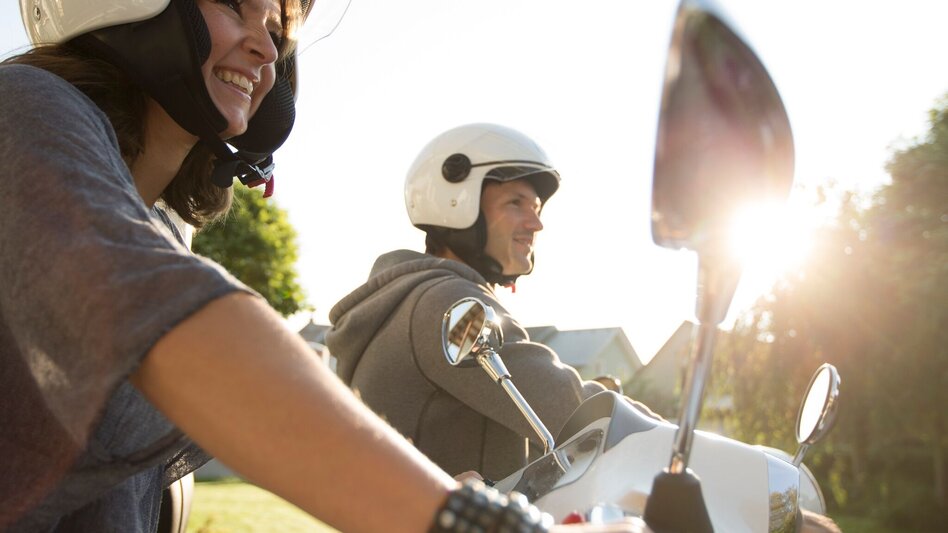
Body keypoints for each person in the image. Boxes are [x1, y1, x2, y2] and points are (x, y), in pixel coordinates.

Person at [0, 2, 641, 532]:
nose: (267, 50)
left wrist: (429, 493)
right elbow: (172, 321)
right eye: (234, 6)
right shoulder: (22, 110)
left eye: (277, 31)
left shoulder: (165, 229)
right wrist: (461, 518)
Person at [326, 123, 635, 481]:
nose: (536, 224)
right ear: (457, 203)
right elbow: (569, 407)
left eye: (536, 207)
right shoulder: (445, 303)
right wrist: (672, 438)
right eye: (516, 203)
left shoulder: (406, 299)